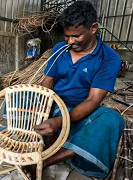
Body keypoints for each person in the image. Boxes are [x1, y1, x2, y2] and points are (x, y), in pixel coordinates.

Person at [33, 1, 125, 179]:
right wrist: (43, 108)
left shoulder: (109, 58)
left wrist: (60, 121)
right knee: (21, 97)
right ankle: (40, 142)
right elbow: (47, 82)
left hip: (82, 110)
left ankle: (48, 159)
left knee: (112, 120)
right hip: (55, 103)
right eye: (67, 36)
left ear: (93, 28)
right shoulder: (60, 49)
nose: (70, 41)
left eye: (76, 36)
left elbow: (93, 100)